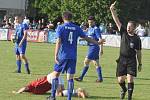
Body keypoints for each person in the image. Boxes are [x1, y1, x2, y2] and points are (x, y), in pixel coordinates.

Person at [47, 11, 105, 100]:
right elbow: (87, 38)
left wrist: (55, 55)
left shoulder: (60, 27)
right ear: (71, 18)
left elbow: (58, 41)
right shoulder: (77, 28)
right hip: (73, 56)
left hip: (63, 55)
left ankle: (52, 96)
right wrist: (97, 42)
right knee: (70, 78)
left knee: (55, 75)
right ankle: (69, 98)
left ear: (63, 18)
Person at [110, 1, 142, 100]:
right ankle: (123, 89)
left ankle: (129, 97)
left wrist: (139, 63)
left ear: (134, 28)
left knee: (130, 78)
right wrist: (112, 10)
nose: (128, 28)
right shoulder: (123, 32)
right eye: (127, 26)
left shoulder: (137, 39)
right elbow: (116, 20)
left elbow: (139, 52)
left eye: (130, 27)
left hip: (131, 60)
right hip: (122, 60)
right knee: (120, 80)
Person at [12, 72, 88, 99]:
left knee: (58, 93)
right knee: (62, 92)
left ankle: (78, 91)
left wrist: (17, 92)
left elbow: (25, 87)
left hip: (52, 78)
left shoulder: (31, 86)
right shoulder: (34, 88)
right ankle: (79, 93)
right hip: (54, 76)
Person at [74, 16, 104, 83]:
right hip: (91, 47)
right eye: (89, 22)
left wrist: (101, 49)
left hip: (94, 47)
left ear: (94, 22)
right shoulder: (90, 28)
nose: (90, 23)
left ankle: (81, 77)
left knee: (86, 62)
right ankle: (100, 78)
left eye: (91, 22)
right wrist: (83, 39)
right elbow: (89, 37)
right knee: (96, 63)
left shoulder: (96, 29)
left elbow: (100, 39)